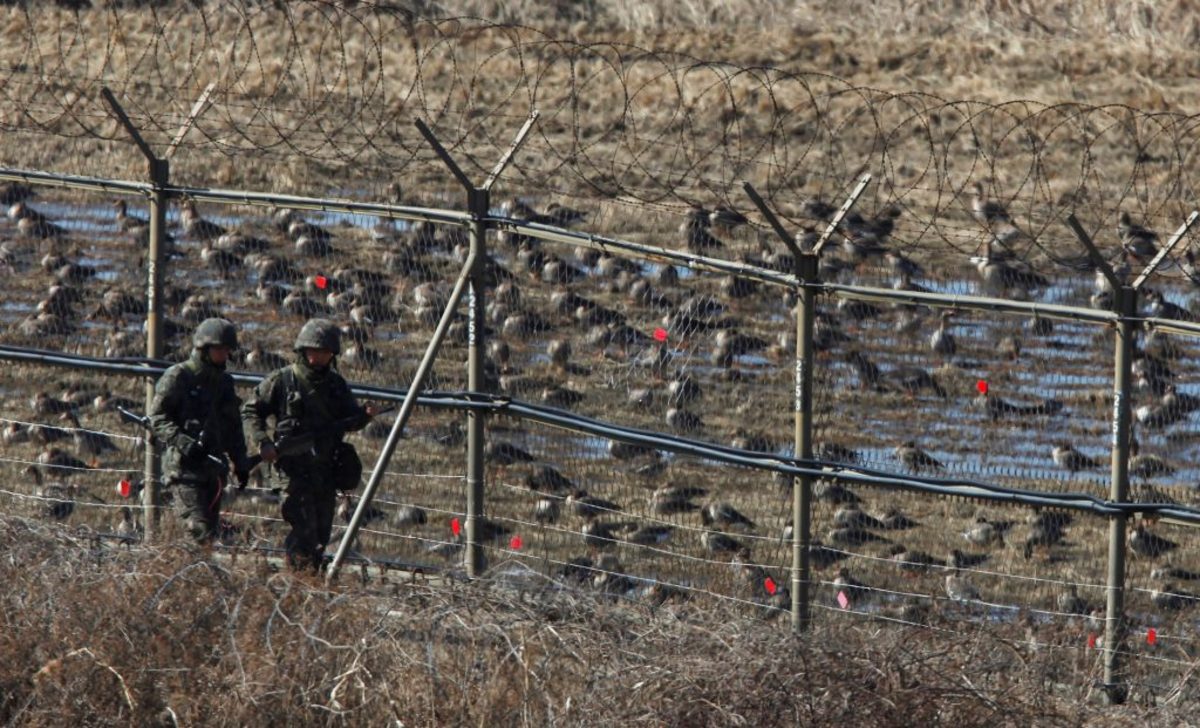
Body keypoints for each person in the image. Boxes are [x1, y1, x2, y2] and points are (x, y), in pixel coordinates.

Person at [241, 318, 379, 572]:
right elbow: (251, 412)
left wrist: (365, 415)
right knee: (303, 531)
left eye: (326, 352)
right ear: (303, 351)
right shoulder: (282, 380)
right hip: (293, 470)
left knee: (321, 534)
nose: (320, 356)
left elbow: (349, 421)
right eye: (315, 351)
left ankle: (309, 580)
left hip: (324, 470)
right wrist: (263, 442)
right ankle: (298, 581)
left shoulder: (335, 385)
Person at [150, 318, 250, 544]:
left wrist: (240, 462)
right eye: (220, 349)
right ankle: (192, 575)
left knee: (209, 537)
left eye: (227, 350)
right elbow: (156, 417)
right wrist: (183, 442)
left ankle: (198, 575)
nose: (225, 355)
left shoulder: (224, 383)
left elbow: (234, 427)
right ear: (204, 348)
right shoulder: (179, 376)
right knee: (198, 532)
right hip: (184, 470)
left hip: (213, 471)